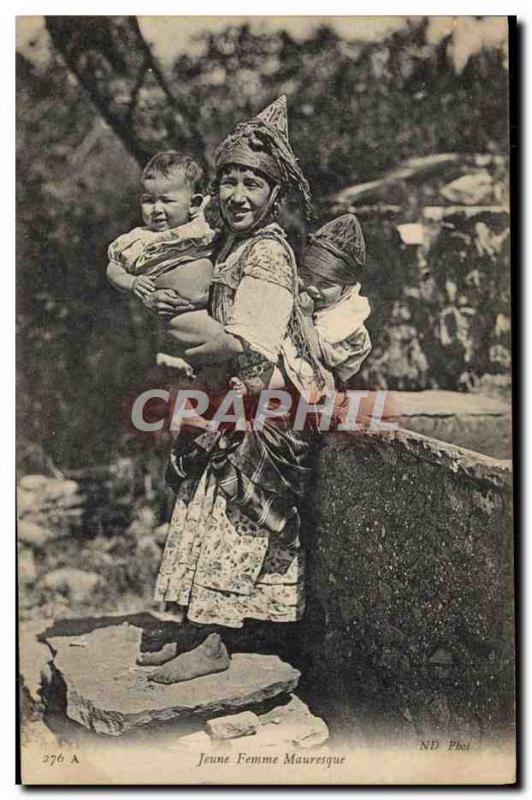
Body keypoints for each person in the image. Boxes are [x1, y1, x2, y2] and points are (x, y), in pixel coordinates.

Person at [145, 97, 331, 681]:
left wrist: (191, 332)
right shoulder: (230, 245)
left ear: (275, 195)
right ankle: (200, 622)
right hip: (233, 395)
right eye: (229, 182)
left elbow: (253, 340)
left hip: (268, 404)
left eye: (253, 184)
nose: (238, 196)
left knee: (234, 512)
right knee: (201, 502)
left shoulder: (271, 253)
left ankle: (219, 638)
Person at [106, 151, 222, 371]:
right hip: (179, 314)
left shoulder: (199, 224)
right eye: (149, 201)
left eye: (167, 200)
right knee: (228, 340)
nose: (156, 209)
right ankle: (186, 358)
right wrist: (132, 282)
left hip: (209, 306)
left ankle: (186, 360)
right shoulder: (139, 238)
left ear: (193, 203)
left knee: (230, 340)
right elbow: (114, 267)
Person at [298, 214, 373, 390]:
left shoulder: (346, 318)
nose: (312, 288)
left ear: (345, 288)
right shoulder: (303, 296)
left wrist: (305, 316)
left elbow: (316, 354)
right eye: (306, 276)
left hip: (323, 387)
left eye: (325, 284)